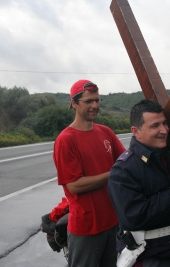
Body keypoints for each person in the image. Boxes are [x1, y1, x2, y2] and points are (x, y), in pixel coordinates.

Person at [108, 99, 170, 267]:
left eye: (164, 123)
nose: (163, 130)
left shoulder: (168, 158)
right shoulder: (123, 171)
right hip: (147, 256)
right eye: (155, 126)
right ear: (136, 131)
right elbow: (135, 216)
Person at [53, 79, 126, 267]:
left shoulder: (105, 132)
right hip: (87, 227)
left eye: (97, 100)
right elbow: (74, 185)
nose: (95, 105)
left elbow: (127, 161)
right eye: (89, 101)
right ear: (74, 104)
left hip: (112, 222)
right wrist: (112, 174)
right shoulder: (66, 140)